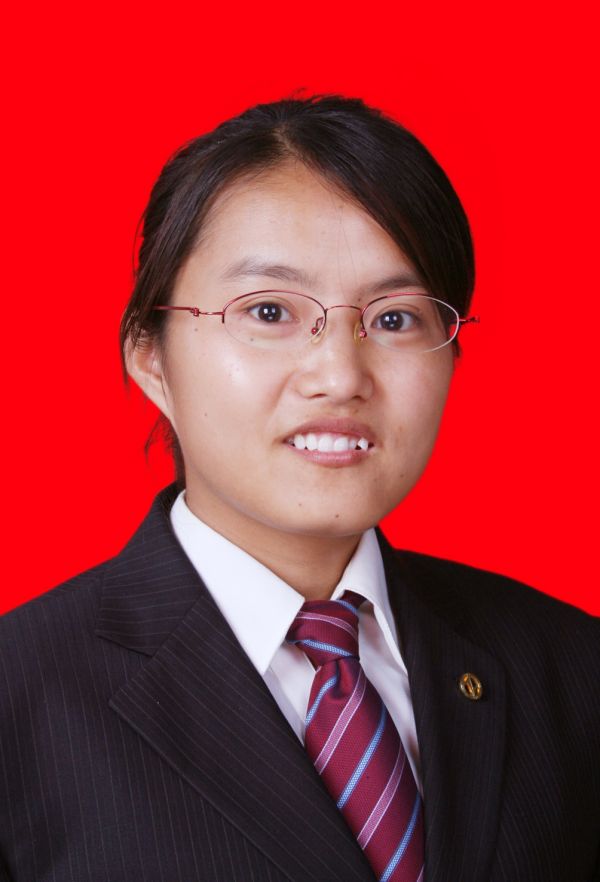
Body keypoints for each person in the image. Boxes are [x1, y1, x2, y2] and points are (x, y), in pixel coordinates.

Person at [0, 95, 598, 882]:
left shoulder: (569, 669)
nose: (340, 376)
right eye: (270, 310)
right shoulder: (19, 699)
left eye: (395, 319)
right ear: (150, 357)